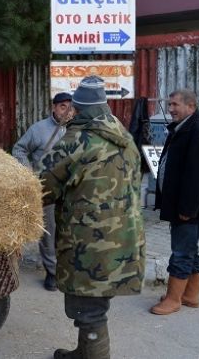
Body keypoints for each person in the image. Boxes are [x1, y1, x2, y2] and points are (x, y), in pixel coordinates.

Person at [39, 76, 145, 359]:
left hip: (90, 242)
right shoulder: (125, 137)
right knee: (94, 306)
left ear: (77, 108)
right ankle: (82, 353)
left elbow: (43, 188)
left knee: (90, 311)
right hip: (126, 236)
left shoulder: (75, 142)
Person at [150, 89, 199, 315]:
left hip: (190, 209)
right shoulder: (184, 129)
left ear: (190, 106)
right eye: (169, 105)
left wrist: (187, 209)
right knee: (189, 248)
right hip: (184, 207)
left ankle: (174, 299)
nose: (170, 109)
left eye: (175, 105)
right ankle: (190, 296)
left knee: (181, 251)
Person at [12, 92, 73, 291]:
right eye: (62, 106)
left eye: (70, 107)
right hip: (46, 189)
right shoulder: (38, 129)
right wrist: (29, 174)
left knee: (68, 230)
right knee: (48, 231)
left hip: (71, 189)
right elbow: (19, 149)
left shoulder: (78, 129)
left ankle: (68, 270)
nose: (66, 111)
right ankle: (52, 272)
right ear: (53, 108)